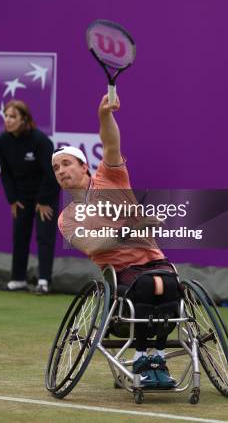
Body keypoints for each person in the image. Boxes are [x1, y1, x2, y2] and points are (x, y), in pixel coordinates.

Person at [52, 94, 179, 388]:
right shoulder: (67, 218)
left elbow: (110, 143)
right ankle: (144, 359)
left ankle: (157, 358)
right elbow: (93, 247)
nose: (61, 171)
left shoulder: (111, 177)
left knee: (172, 287)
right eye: (56, 169)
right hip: (121, 276)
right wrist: (129, 230)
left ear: (84, 166)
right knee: (149, 287)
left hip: (156, 261)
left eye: (66, 164)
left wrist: (104, 116)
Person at [0, 100, 59, 294]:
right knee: (19, 236)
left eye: (13, 117)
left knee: (44, 237)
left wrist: (42, 201)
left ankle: (43, 282)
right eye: (6, 116)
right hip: (22, 197)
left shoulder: (40, 141)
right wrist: (12, 199)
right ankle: (18, 280)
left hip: (45, 195)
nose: (8, 120)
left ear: (24, 119)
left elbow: (51, 174)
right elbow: (6, 173)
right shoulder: (3, 141)